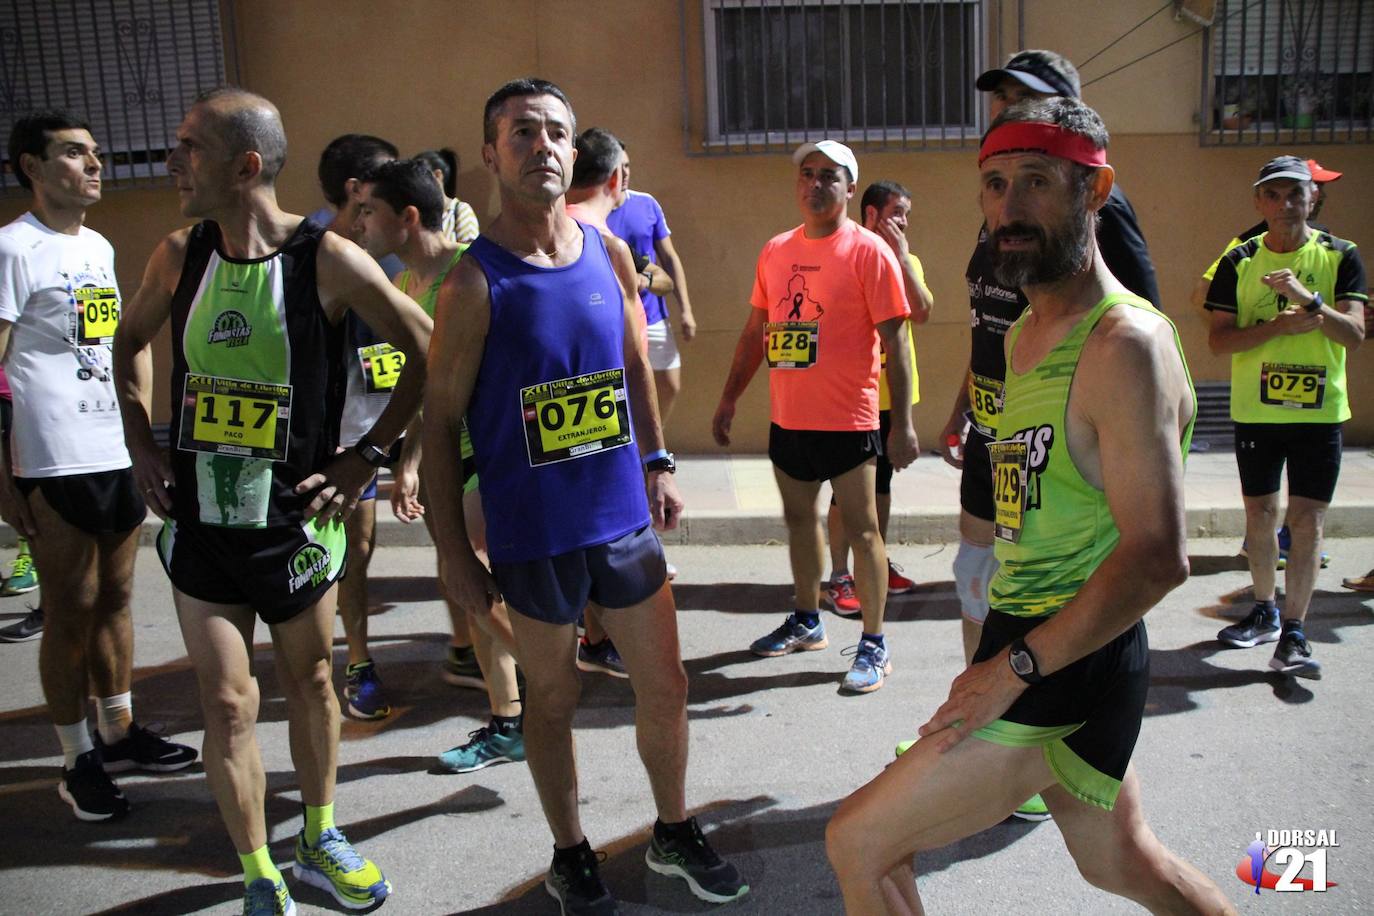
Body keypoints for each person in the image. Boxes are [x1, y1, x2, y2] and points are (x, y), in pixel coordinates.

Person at [826, 96, 1235, 915]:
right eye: (995, 184)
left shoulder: (1125, 347)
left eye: (1038, 183)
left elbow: (1157, 555)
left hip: (1066, 659)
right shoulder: (1023, 334)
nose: (1009, 209)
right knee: (1123, 863)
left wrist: (1011, 671)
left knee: (860, 842)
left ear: (1096, 190)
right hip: (1031, 639)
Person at [425, 77, 747, 913]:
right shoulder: (472, 284)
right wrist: (455, 559)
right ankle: (571, 853)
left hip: (621, 524)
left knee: (667, 685)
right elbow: (436, 427)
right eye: (522, 132)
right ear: (492, 152)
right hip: (533, 539)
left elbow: (636, 367)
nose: (543, 146)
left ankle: (672, 831)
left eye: (556, 132)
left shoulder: (606, 253)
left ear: (575, 150)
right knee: (554, 702)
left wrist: (660, 460)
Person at [113, 88, 431, 915]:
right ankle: (260, 875)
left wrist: (368, 459)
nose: (172, 160)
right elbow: (125, 343)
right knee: (225, 701)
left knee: (313, 680)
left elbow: (426, 350)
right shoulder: (177, 255)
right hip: (202, 523)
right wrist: (142, 442)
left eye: (189, 146)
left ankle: (319, 835)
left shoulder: (326, 259)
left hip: (294, 524)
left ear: (244, 165)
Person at [939, 49, 1162, 820]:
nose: (1004, 108)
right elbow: (991, 321)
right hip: (997, 424)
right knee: (978, 577)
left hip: (1057, 435)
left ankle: (1010, 737)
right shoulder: (1003, 211)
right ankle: (990, 731)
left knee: (859, 841)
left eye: (1022, 98)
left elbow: (1129, 322)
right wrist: (963, 409)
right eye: (999, 98)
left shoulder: (1094, 218)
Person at [0, 110, 197, 821]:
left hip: (113, 449)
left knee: (115, 600)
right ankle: (75, 755)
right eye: (75, 154)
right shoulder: (12, 249)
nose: (94, 165)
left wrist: (140, 430)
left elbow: (122, 346)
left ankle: (119, 733)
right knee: (68, 609)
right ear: (31, 166)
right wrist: (2, 478)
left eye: (96, 153)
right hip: (49, 458)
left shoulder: (101, 247)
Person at [713, 140, 918, 694]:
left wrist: (903, 425)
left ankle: (874, 643)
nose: (816, 184)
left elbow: (897, 342)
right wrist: (730, 398)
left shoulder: (869, 251)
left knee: (864, 529)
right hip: (790, 420)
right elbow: (756, 333)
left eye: (830, 176)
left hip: (850, 420)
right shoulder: (776, 250)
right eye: (807, 174)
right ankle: (807, 619)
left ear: (850, 188)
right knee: (800, 523)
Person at [353, 158, 525, 774]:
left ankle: (552, 672)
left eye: (368, 210)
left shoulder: (470, 271)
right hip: (450, 458)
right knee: (468, 588)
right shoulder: (403, 287)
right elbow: (424, 388)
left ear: (408, 216)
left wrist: (418, 456)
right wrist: (412, 459)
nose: (357, 223)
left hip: (490, 456)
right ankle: (509, 721)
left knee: (474, 581)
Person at [1206, 156, 1366, 679]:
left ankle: (1295, 630)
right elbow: (1219, 341)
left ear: (1312, 199)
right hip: (1257, 412)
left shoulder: (1341, 255)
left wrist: (1310, 303)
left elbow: (1355, 334)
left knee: (1307, 521)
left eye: (1295, 194)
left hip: (1319, 414)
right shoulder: (1239, 259)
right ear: (1259, 202)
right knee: (1261, 516)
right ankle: (1264, 610)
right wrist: (1278, 327)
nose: (1285, 204)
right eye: (1273, 195)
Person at [1192, 158, 1345, 571]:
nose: (1316, 195)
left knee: (1307, 503)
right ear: (1262, 200)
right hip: (1260, 399)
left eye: (1309, 189)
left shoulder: (1333, 249)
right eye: (1280, 193)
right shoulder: (1249, 246)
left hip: (1317, 402)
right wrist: (1256, 335)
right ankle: (1262, 551)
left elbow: (1349, 326)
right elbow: (1202, 297)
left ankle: (1296, 545)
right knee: (1261, 499)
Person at [314, 133, 405, 719]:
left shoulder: (388, 251)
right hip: (315, 440)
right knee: (321, 553)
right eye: (385, 179)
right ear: (355, 190)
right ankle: (322, 667)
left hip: (369, 435)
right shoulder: (311, 251)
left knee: (360, 549)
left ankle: (357, 658)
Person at [823, 180, 933, 616]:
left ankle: (875, 562)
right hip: (852, 399)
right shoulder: (845, 257)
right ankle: (838, 575)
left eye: (907, 213)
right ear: (870, 214)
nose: (905, 221)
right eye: (897, 213)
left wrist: (902, 259)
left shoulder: (909, 262)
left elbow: (922, 311)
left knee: (881, 485)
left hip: (892, 399)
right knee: (844, 492)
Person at [606, 139, 697, 429]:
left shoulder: (646, 205)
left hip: (653, 316)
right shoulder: (592, 211)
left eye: (628, 166)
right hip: (614, 320)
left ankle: (651, 440)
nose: (625, 172)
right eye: (618, 167)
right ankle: (635, 447)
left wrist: (686, 310)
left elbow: (669, 258)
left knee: (670, 383)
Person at [415, 148, 480, 244]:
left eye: (418, 178)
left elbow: (470, 254)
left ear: (438, 175)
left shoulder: (460, 210)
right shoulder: (417, 213)